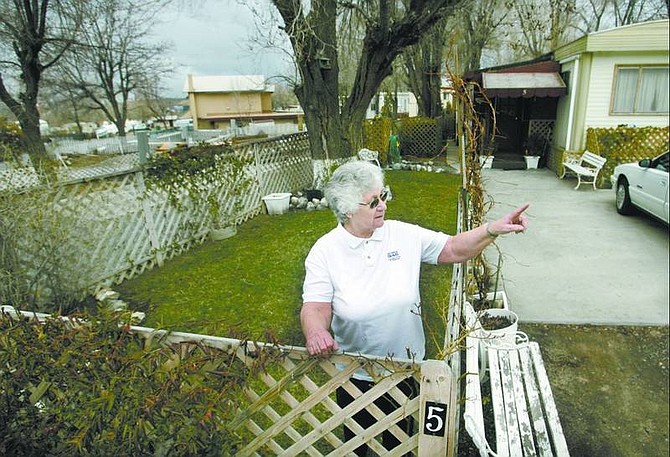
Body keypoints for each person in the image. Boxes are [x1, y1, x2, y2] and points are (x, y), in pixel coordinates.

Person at [300, 160, 529, 455]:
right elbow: (315, 307)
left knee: (403, 445)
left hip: (407, 369)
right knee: (357, 445)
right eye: (373, 202)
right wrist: (316, 332)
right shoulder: (325, 251)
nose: (382, 205)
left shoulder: (401, 234)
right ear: (346, 209)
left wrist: (492, 230)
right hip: (357, 374)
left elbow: (453, 248)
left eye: (384, 195)